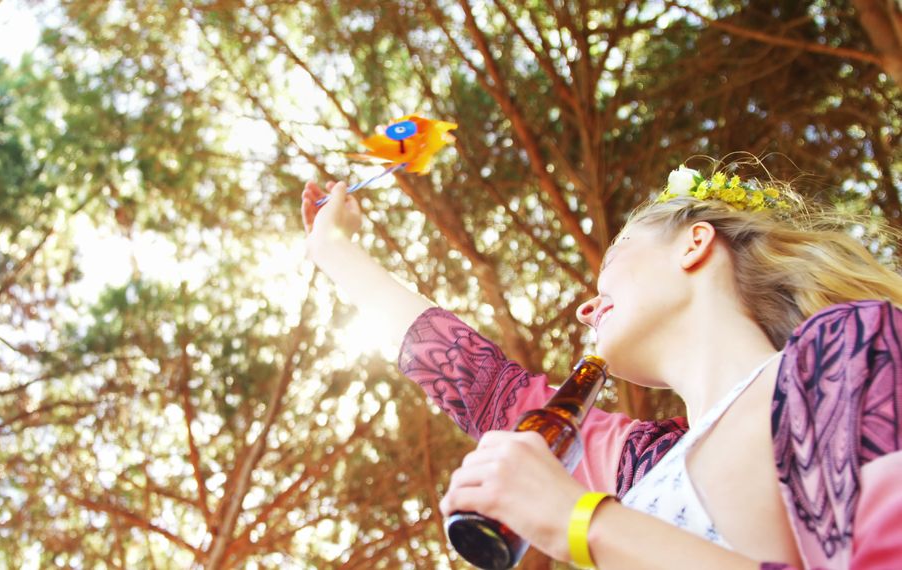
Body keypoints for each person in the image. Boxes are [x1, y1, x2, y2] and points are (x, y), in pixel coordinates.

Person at [300, 165, 902, 570]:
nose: (585, 306)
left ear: (695, 244)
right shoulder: (646, 463)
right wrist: (333, 251)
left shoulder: (844, 354)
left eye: (610, 263)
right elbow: (482, 386)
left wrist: (580, 520)